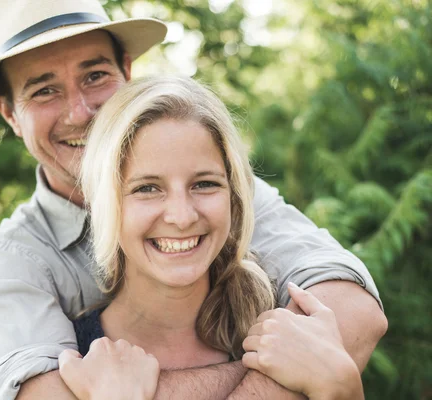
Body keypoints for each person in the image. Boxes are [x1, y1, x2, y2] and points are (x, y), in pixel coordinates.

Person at [0, 0, 387, 399]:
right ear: (9, 112)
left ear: (126, 71)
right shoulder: (9, 265)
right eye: (44, 90)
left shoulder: (221, 191)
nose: (79, 112)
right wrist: (300, 376)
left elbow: (354, 313)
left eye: (95, 76)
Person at [55, 76, 365, 400]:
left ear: (234, 195)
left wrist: (343, 386)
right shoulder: (74, 367)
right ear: (105, 204)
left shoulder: (291, 334)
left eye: (204, 184)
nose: (182, 216)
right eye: (147, 188)